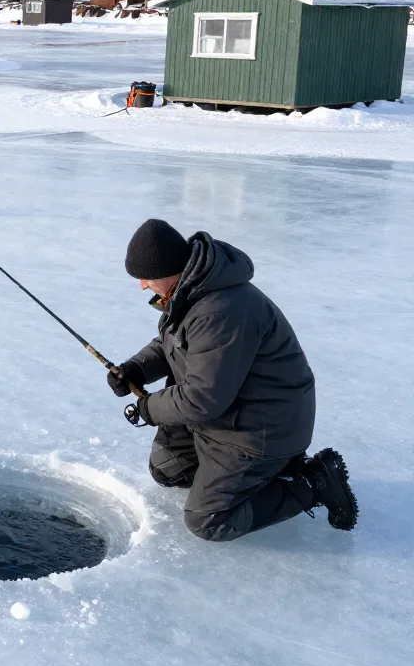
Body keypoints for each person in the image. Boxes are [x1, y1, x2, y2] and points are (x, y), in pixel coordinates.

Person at [108, 218, 357, 542]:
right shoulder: (192, 292)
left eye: (146, 276)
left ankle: (308, 483)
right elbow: (177, 344)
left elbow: (201, 398)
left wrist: (147, 408)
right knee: (170, 469)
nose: (142, 285)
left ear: (169, 268)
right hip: (227, 414)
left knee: (207, 519)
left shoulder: (220, 311)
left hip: (260, 429)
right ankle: (255, 477)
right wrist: (137, 369)